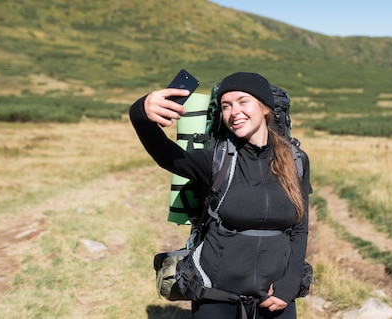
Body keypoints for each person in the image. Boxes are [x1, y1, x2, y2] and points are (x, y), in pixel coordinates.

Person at [129, 72, 312, 319]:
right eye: (226, 106)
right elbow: (166, 155)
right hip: (214, 295)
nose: (234, 111)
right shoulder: (216, 160)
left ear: (265, 107)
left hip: (275, 296)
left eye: (243, 101)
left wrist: (290, 283)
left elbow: (299, 228)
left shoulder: (296, 161)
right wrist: (140, 114)